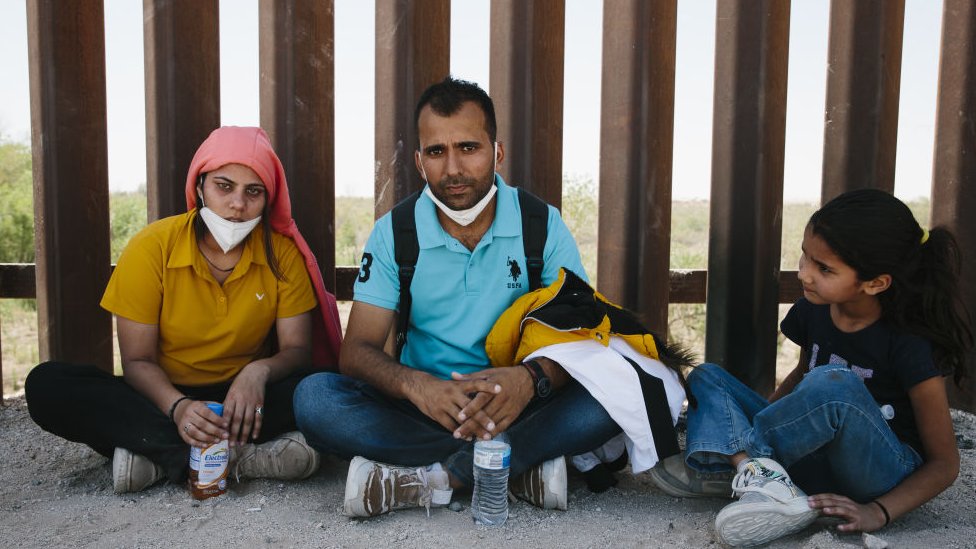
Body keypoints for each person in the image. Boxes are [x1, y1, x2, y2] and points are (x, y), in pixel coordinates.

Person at [293, 76, 621, 517]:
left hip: (519, 403)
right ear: (418, 160)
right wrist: (419, 387)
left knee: (612, 394)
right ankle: (515, 465)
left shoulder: (541, 225)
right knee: (315, 399)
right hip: (425, 406)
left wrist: (528, 382)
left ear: (497, 152)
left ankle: (440, 477)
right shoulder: (396, 232)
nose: (452, 169)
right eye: (436, 152)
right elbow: (357, 352)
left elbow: (579, 340)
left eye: (468, 147)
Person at [25, 126, 342, 493]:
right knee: (47, 385)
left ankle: (156, 456)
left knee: (321, 389)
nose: (238, 204)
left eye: (253, 191)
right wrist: (178, 408)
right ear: (199, 187)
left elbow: (297, 351)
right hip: (162, 396)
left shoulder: (281, 255)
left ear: (267, 200)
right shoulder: (152, 248)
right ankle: (233, 458)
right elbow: (138, 362)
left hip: (241, 401)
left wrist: (257, 372)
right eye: (224, 186)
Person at [650, 189, 973, 546]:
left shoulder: (908, 342)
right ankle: (762, 478)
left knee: (834, 384)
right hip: (813, 458)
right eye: (805, 256)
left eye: (824, 269)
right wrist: (763, 416)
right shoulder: (814, 309)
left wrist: (879, 511)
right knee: (707, 376)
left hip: (878, 472)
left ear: (875, 283)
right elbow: (800, 377)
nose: (804, 274)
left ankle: (740, 468)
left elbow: (944, 463)